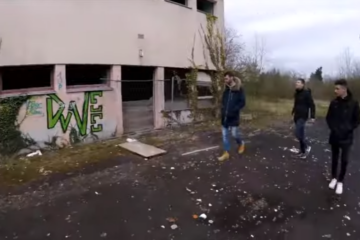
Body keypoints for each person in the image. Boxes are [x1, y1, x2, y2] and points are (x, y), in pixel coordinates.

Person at [326, 79, 359, 195]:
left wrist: (348, 129)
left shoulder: (354, 103)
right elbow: (328, 118)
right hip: (335, 135)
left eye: (337, 89)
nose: (335, 91)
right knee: (334, 158)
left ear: (344, 89)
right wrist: (333, 128)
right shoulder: (334, 103)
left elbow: (356, 120)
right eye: (335, 88)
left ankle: (340, 181)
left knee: (344, 160)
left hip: (346, 137)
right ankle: (334, 178)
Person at [218, 71, 246, 162]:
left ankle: (241, 143)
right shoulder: (226, 90)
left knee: (234, 134)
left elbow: (242, 103)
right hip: (224, 117)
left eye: (226, 78)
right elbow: (223, 101)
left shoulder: (239, 89)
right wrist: (222, 110)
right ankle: (226, 153)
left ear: (231, 78)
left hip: (234, 117)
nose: (225, 80)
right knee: (225, 136)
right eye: (224, 79)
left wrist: (234, 110)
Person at [292, 78, 315, 159]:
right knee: (301, 134)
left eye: (298, 83)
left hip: (303, 116)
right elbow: (296, 104)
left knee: (297, 133)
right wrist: (293, 112)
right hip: (296, 115)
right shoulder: (296, 93)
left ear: (303, 84)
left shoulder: (306, 94)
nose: (296, 84)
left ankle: (306, 146)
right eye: (296, 83)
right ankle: (302, 150)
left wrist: (312, 116)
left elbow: (312, 105)